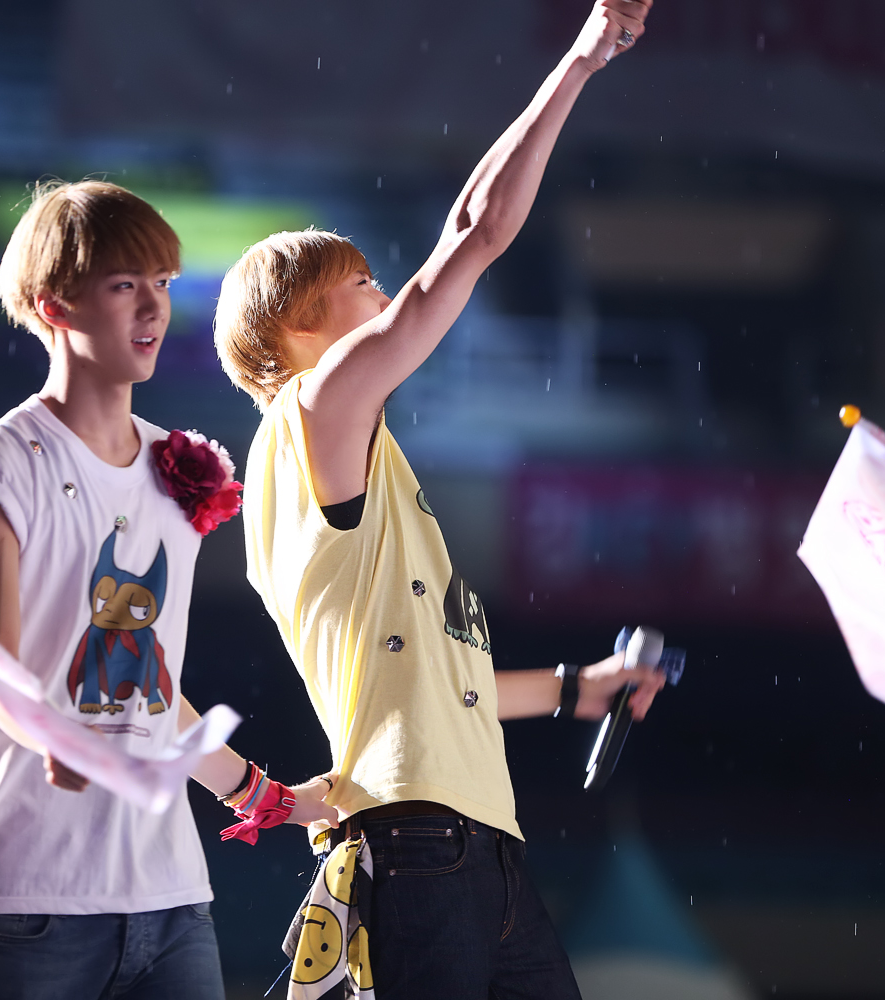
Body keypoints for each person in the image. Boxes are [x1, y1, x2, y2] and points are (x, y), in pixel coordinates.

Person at [212, 3, 664, 997]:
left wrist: (578, 687)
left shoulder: (355, 468)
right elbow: (474, 233)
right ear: (296, 325)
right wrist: (581, 61)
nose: (385, 296)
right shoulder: (315, 409)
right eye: (362, 281)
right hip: (420, 841)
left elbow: (440, 685)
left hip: (468, 841)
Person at [0, 179, 333, 1000]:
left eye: (162, 283)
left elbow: (151, 685)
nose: (152, 308)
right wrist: (63, 741)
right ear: (54, 306)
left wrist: (264, 797)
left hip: (170, 900)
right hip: (26, 903)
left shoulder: (180, 467)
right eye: (123, 286)